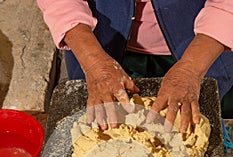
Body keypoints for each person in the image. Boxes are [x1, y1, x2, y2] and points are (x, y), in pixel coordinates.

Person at [37, 0, 233, 132]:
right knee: (99, 124)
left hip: (206, 43)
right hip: (98, 43)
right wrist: (93, 60)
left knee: (206, 122)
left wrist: (191, 68)